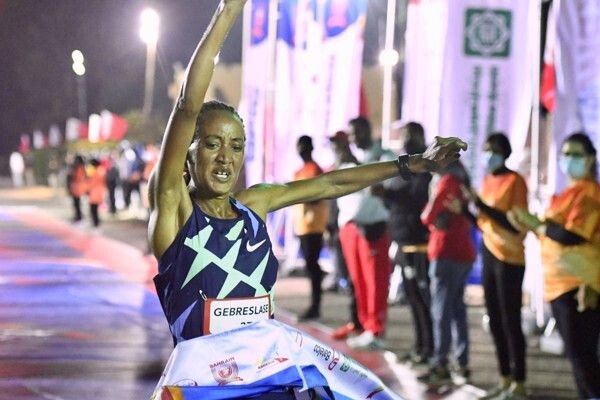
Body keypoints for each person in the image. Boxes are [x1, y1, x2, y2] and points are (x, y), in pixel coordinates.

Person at [147, 1, 466, 398]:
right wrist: (229, 10)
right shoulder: (175, 211)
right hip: (204, 390)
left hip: (269, 386)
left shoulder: (255, 206)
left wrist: (411, 164)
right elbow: (187, 106)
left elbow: (330, 185)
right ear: (188, 155)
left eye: (236, 145)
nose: (226, 157)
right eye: (212, 144)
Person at [508, 132, 600, 400]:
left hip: (580, 284)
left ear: (590, 159)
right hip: (558, 285)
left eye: (575, 154)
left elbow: (573, 235)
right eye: (565, 154)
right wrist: (527, 224)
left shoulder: (590, 192)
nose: (568, 159)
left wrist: (536, 223)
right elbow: (552, 235)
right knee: (577, 358)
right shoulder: (566, 194)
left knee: (583, 359)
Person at [465, 133, 528, 400]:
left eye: (495, 150)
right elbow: (484, 222)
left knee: (510, 320)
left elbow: (514, 225)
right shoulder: (487, 180)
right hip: (489, 253)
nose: (489, 155)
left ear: (506, 153)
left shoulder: (515, 181)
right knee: (494, 319)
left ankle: (519, 382)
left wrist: (479, 204)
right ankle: (504, 378)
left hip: (510, 257)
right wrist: (465, 210)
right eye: (486, 149)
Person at [418, 160, 475, 387]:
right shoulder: (461, 180)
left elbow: (427, 216)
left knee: (441, 311)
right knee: (457, 310)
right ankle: (461, 363)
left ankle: (441, 364)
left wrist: (433, 217)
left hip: (446, 252)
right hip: (461, 252)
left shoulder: (446, 181)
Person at [384, 122, 433, 365]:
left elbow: (417, 197)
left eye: (410, 135)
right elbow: (395, 196)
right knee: (412, 298)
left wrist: (390, 195)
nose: (405, 140)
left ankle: (430, 349)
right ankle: (420, 346)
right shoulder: (405, 165)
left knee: (423, 298)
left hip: (419, 243)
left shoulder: (425, 166)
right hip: (403, 240)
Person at [327, 130, 363, 340]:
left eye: (337, 145)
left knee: (354, 277)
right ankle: (355, 320)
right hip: (339, 228)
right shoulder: (338, 166)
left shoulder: (352, 165)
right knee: (347, 276)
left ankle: (358, 322)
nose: (335, 149)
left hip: (351, 227)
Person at [292, 135, 329, 320]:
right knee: (310, 266)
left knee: (312, 266)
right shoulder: (299, 172)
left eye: (304, 147)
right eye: (299, 146)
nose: (301, 150)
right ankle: (314, 305)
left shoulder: (315, 169)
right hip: (302, 225)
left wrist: (299, 194)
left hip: (314, 225)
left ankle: (315, 306)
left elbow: (317, 195)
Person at [87, 158, 107, 228]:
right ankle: (96, 223)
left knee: (94, 209)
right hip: (96, 192)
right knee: (94, 209)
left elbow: (93, 182)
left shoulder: (99, 171)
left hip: (96, 192)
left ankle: (96, 223)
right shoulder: (98, 170)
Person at [67, 154, 87, 223]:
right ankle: (78, 216)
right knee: (76, 203)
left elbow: (78, 178)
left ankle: (79, 217)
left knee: (77, 203)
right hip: (76, 188)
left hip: (77, 188)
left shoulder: (79, 168)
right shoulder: (78, 168)